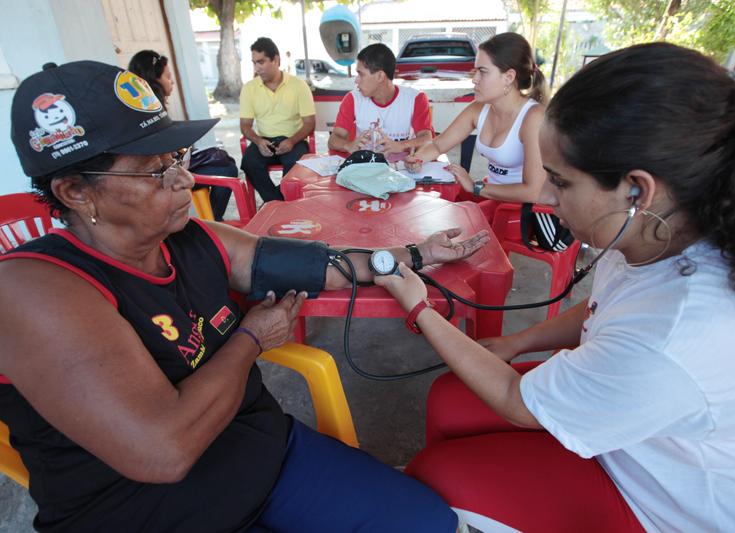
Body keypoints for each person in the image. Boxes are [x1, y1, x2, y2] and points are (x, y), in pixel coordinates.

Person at [1, 60, 491, 532]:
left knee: (431, 523)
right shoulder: (32, 289)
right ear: (75, 191)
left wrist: (415, 253)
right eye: (155, 171)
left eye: (176, 158)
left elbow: (324, 265)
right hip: (141, 510)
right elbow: (164, 450)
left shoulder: (192, 238)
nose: (184, 180)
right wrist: (251, 339)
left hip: (258, 453)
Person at [375, 43, 735, 531]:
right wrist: (518, 340)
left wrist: (421, 308)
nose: (545, 196)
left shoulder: (676, 330)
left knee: (438, 473)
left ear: (637, 190)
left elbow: (517, 400)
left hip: (669, 504)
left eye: (560, 181)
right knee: (449, 398)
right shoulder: (660, 233)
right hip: (639, 432)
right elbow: (607, 307)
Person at [405, 32, 569, 250]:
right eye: (475, 71)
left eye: (482, 72)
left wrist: (476, 187)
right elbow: (438, 145)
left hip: (521, 209)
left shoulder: (533, 118)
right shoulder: (479, 109)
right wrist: (417, 159)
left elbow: (533, 191)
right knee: (434, 206)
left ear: (508, 77)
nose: (474, 79)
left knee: (449, 226)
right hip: (492, 194)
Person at [128, 50, 236, 221]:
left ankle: (210, 218)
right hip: (167, 175)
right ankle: (211, 220)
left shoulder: (148, 109)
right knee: (226, 169)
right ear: (154, 80)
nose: (172, 81)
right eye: (168, 77)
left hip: (175, 168)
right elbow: (164, 160)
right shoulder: (149, 115)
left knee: (224, 160)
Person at [240, 37, 315, 203]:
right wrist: (258, 141)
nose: (257, 68)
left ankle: (278, 203)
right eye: (254, 63)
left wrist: (291, 141)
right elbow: (245, 126)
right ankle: (277, 203)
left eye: (261, 62)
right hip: (264, 141)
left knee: (296, 165)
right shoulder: (249, 88)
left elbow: (310, 123)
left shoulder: (298, 85)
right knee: (249, 163)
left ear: (275, 60)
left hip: (294, 140)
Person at [328, 43, 433, 160]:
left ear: (380, 76)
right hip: (365, 166)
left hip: (403, 167)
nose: (356, 81)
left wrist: (400, 145)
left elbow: (427, 139)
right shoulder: (352, 99)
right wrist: (348, 145)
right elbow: (333, 140)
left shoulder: (415, 98)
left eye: (361, 74)